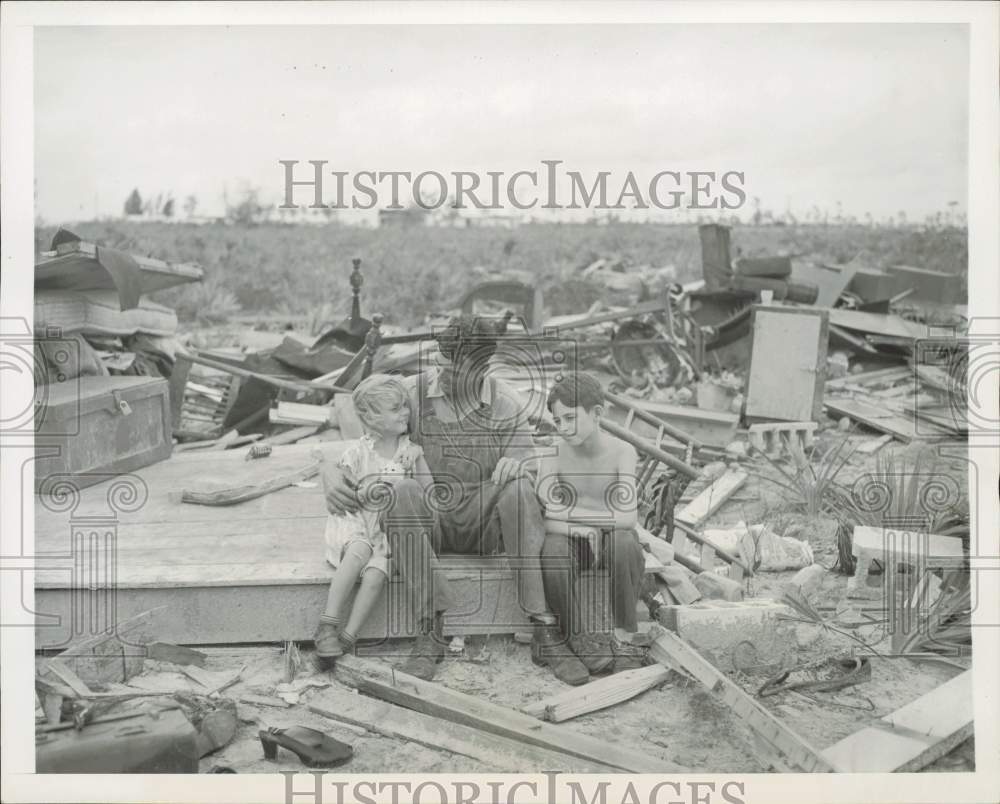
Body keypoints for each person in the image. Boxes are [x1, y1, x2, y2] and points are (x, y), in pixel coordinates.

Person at [322, 314, 586, 684]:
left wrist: (518, 466)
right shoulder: (410, 395)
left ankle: (543, 628)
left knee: (520, 490)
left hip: (484, 525)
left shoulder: (505, 403)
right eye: (438, 362)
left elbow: (532, 470)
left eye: (450, 367)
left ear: (478, 369)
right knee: (403, 491)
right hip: (433, 522)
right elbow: (357, 435)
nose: (439, 373)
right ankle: (431, 631)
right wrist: (331, 475)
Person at [312, 374, 432, 669]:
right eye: (395, 408)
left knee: (378, 572)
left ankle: (348, 639)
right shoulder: (359, 452)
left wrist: (417, 461)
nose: (405, 412)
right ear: (371, 418)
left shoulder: (409, 451)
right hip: (356, 524)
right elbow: (348, 486)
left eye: (405, 406)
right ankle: (327, 625)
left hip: (386, 534)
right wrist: (366, 488)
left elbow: (428, 494)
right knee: (359, 551)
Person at [536, 371, 648, 672]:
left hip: (612, 542)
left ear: (596, 413)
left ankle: (624, 637)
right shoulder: (553, 451)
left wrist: (571, 516)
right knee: (552, 550)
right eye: (558, 421)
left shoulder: (622, 451)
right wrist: (582, 529)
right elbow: (543, 517)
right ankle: (576, 636)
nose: (564, 427)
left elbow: (627, 519)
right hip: (573, 539)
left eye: (571, 418)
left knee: (624, 543)